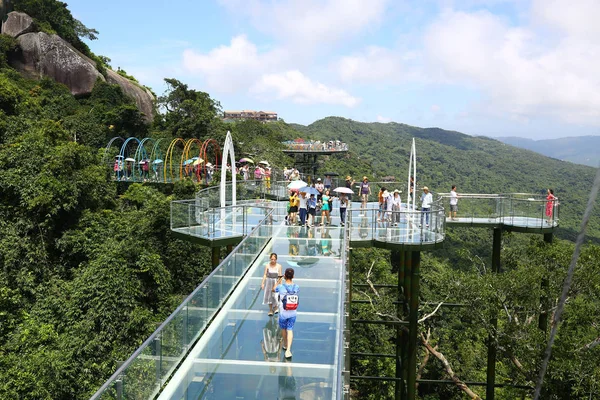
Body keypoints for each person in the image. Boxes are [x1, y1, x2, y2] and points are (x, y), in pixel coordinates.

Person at [274, 268, 299, 359]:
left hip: (283, 312)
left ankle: (285, 344)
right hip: (293, 312)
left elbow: (274, 289)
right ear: (293, 276)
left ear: (284, 276)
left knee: (283, 329)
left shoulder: (281, 287)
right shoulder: (296, 287)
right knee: (290, 329)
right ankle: (288, 350)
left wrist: (279, 281)